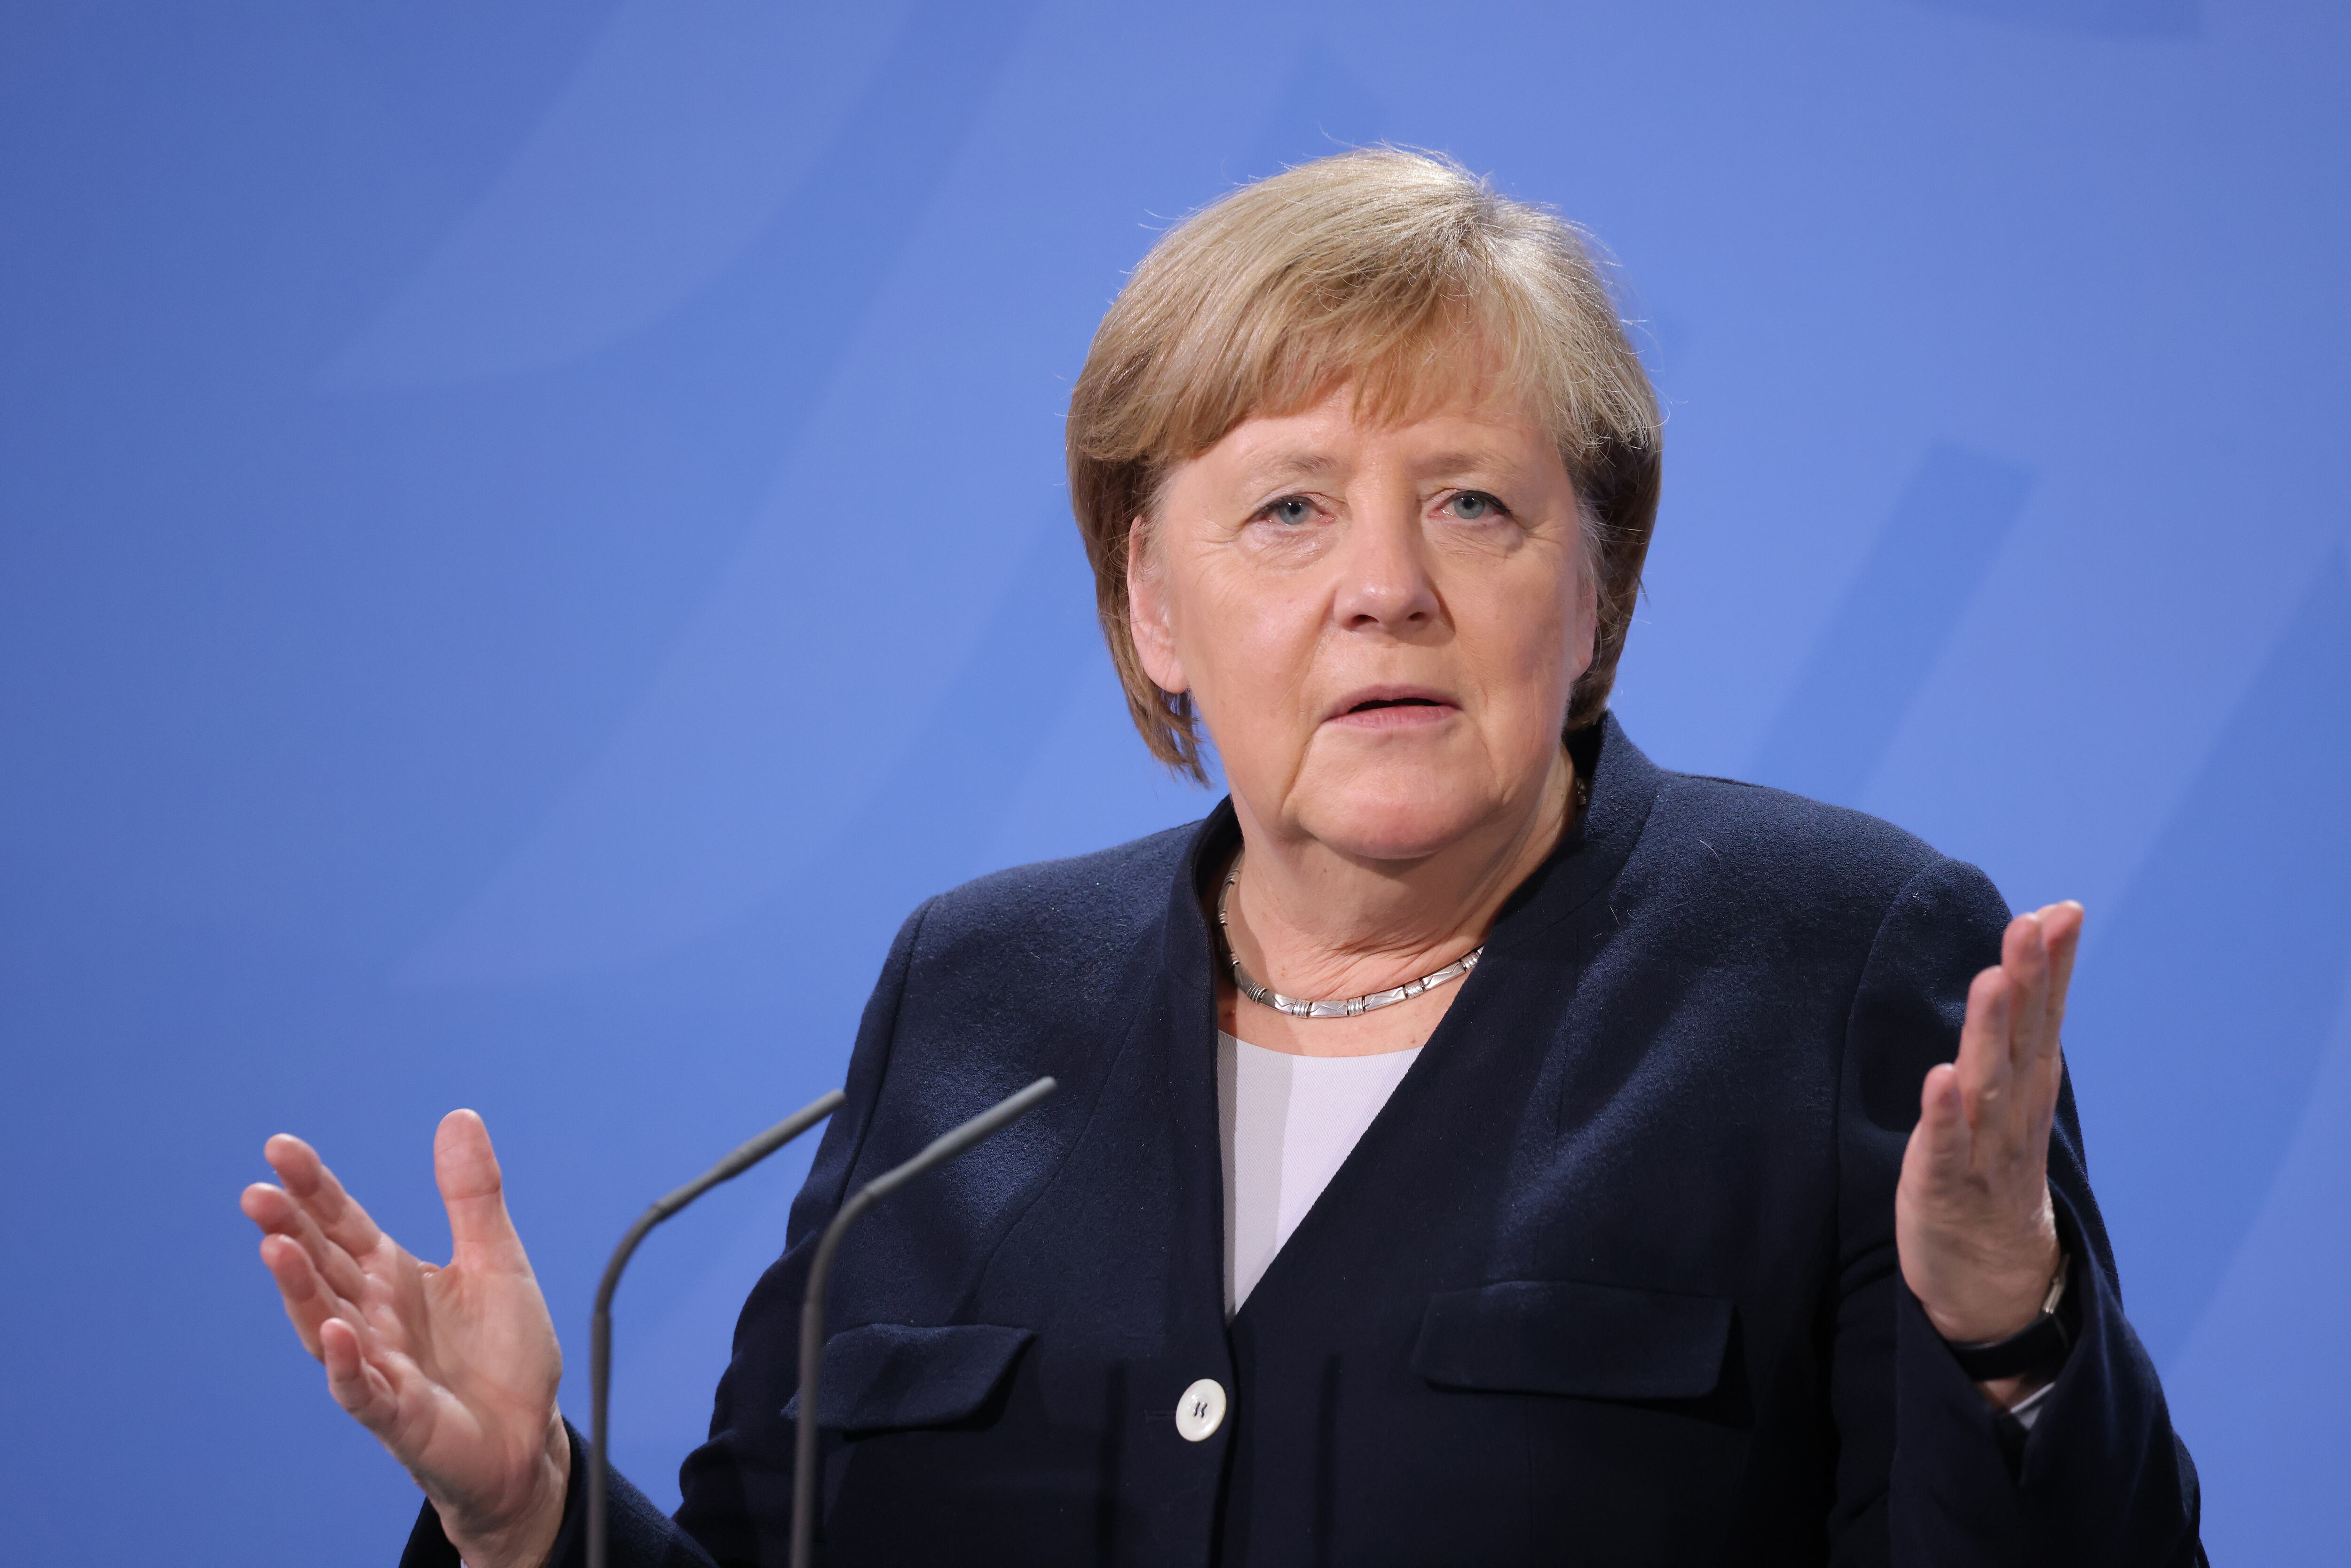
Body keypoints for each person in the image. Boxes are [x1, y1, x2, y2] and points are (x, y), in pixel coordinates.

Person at [241, 150, 2205, 1566]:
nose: (1383, 590)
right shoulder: (974, 990)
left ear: (1591, 597)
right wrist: (525, 1516)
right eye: (1283, 511)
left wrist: (2006, 1339)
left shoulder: (1830, 959)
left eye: (1472, 504)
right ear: (1151, 613)